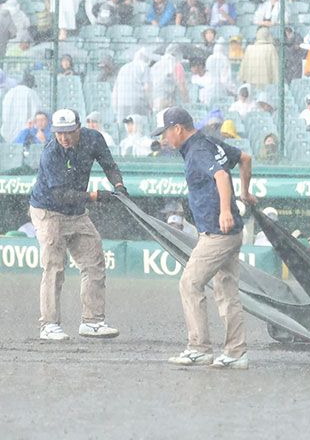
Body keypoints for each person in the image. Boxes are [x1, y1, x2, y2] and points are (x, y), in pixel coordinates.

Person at [152, 106, 256, 369]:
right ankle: (235, 352)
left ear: (177, 129)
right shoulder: (207, 142)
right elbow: (245, 158)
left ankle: (199, 348)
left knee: (189, 283)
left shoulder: (197, 150)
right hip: (229, 233)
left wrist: (224, 210)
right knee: (227, 292)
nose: (165, 139)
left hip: (217, 233)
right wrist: (245, 192)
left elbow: (221, 176)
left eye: (166, 132)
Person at [28, 109, 127, 341]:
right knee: (55, 267)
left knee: (94, 262)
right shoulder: (51, 152)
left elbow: (109, 165)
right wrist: (96, 196)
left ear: (78, 129)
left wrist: (119, 185)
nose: (63, 138)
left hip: (76, 212)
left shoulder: (94, 139)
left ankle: (92, 321)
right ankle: (49, 325)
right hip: (48, 211)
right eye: (59, 133)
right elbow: (61, 195)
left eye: (68, 132)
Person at [112, 48, 152, 122]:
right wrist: (150, 105)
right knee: (138, 127)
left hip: (122, 104)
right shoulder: (144, 67)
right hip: (138, 104)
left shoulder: (123, 68)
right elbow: (147, 88)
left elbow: (115, 90)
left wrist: (116, 107)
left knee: (123, 128)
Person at [2, 75, 41, 144]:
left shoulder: (10, 92)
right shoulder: (31, 93)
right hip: (25, 136)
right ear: (31, 84)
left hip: (7, 134)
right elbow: (37, 113)